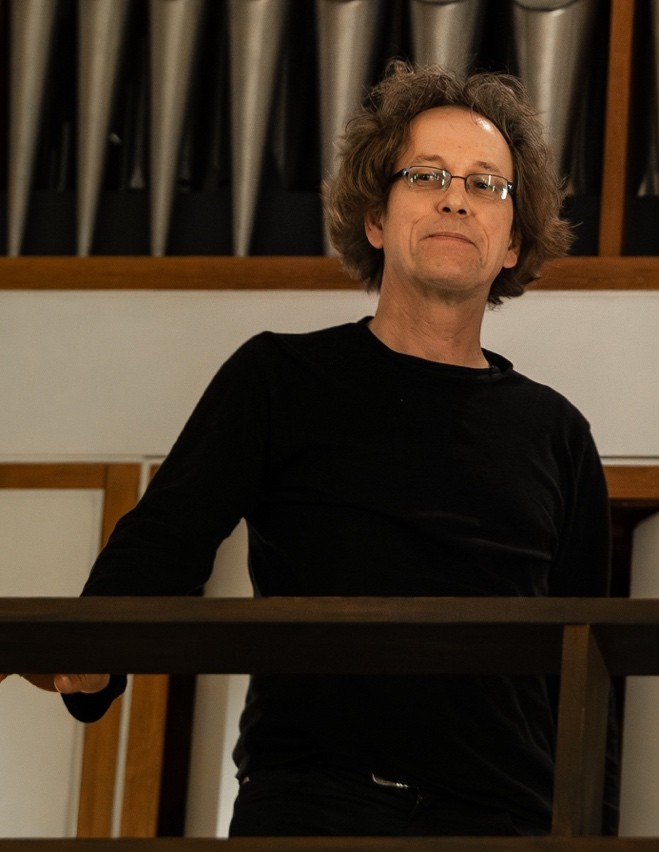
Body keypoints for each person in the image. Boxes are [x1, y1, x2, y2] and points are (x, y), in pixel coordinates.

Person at [1, 60, 619, 836]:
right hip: (312, 807)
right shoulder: (277, 378)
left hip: (501, 824)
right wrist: (89, 654)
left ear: (510, 243)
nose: (455, 197)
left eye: (484, 183)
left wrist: (592, 838)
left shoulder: (557, 433)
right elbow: (163, 543)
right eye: (426, 175)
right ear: (374, 219)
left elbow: (590, 676)